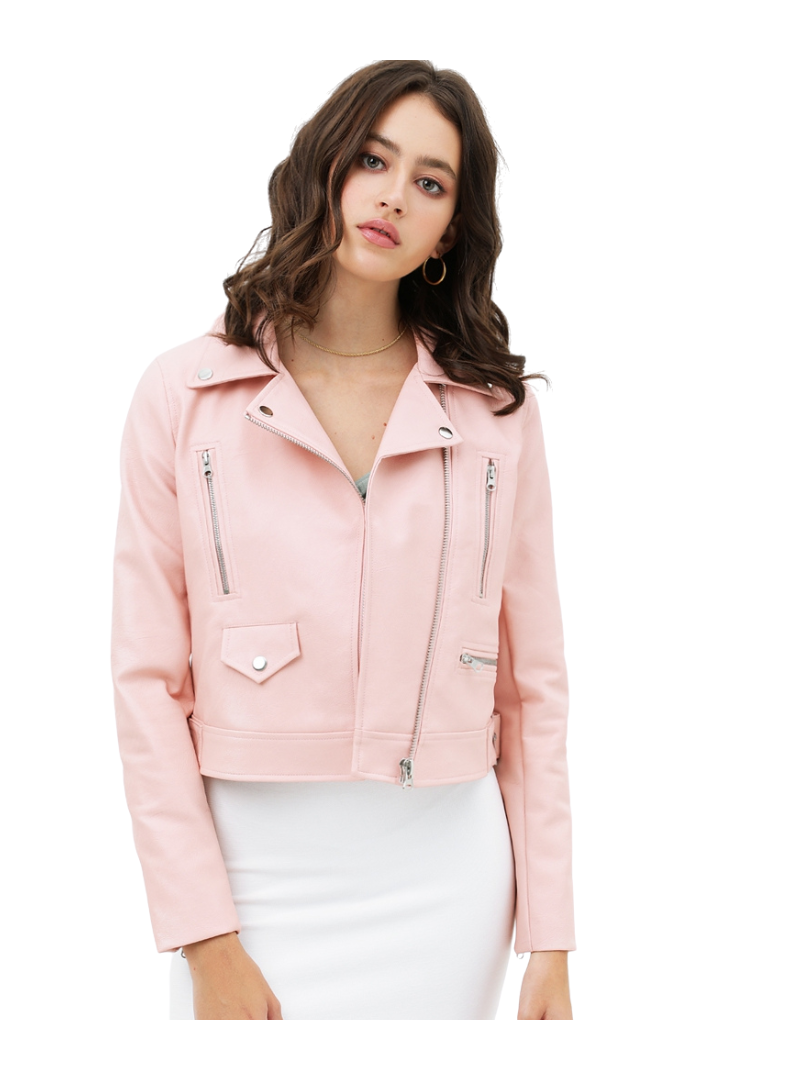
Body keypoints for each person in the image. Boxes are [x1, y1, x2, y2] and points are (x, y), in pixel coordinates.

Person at [111, 59, 576, 1020]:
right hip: (251, 874)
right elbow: (146, 683)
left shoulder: (496, 413)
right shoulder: (185, 395)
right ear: (325, 166)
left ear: (452, 229)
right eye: (373, 159)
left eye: (431, 182)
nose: (394, 195)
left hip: (447, 878)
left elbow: (533, 687)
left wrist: (552, 939)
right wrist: (204, 935)